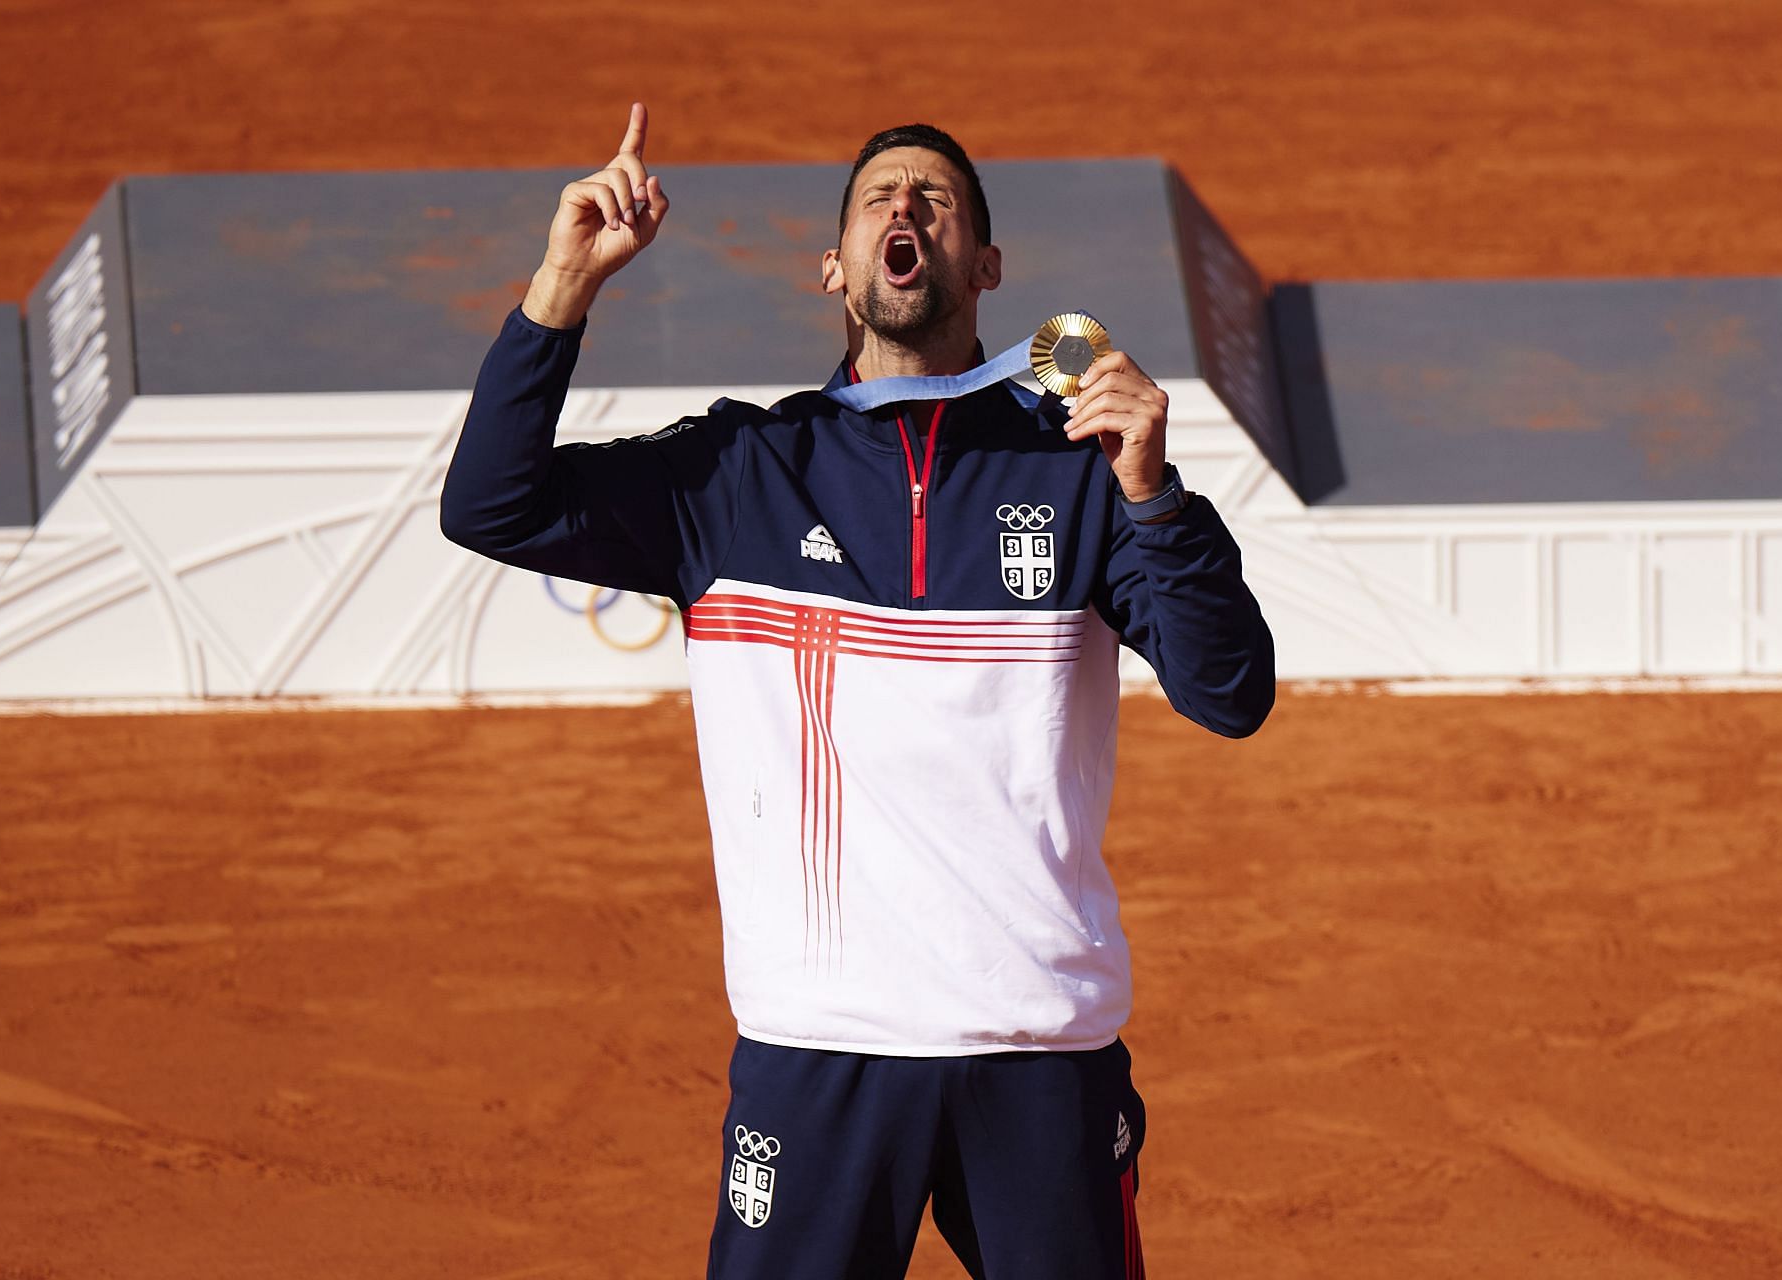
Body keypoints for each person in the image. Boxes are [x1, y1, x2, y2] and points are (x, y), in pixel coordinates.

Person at [440, 102, 1274, 1280]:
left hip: (1037, 1044)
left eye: (935, 198)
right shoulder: (734, 474)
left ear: (984, 266)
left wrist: (1152, 490)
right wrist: (562, 285)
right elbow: (489, 504)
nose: (905, 208)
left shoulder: (1075, 465)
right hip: (818, 1047)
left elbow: (1232, 690)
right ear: (833, 264)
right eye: (879, 197)